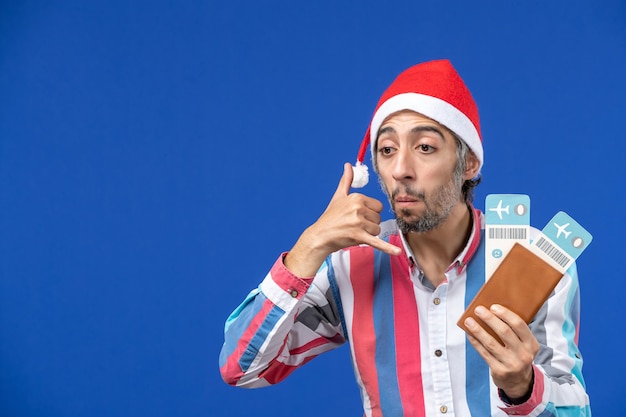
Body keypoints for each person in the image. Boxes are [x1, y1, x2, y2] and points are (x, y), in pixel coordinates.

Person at [219, 59, 590, 417]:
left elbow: (577, 409)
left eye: (425, 147)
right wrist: (310, 245)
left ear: (469, 164)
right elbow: (242, 368)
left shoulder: (536, 261)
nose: (400, 170)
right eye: (387, 150)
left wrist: (523, 386)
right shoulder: (350, 265)